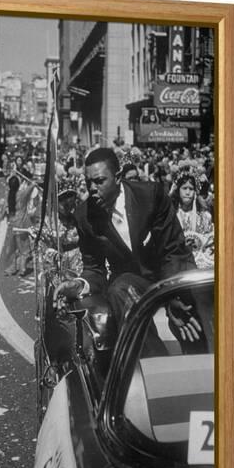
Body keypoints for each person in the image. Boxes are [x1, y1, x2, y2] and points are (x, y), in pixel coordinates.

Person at [53, 147, 200, 350]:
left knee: (196, 310)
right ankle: (153, 364)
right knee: (119, 288)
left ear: (118, 177)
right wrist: (79, 284)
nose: (92, 188)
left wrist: (172, 295)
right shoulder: (84, 216)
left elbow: (173, 251)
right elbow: (95, 269)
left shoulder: (151, 195)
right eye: (88, 183)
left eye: (99, 181)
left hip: (172, 273)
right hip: (133, 285)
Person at [171, 170, 214, 269]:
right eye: (184, 188)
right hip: (178, 263)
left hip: (202, 263)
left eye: (191, 189)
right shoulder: (172, 215)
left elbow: (210, 241)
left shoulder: (205, 216)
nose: (187, 192)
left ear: (195, 192)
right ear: (178, 190)